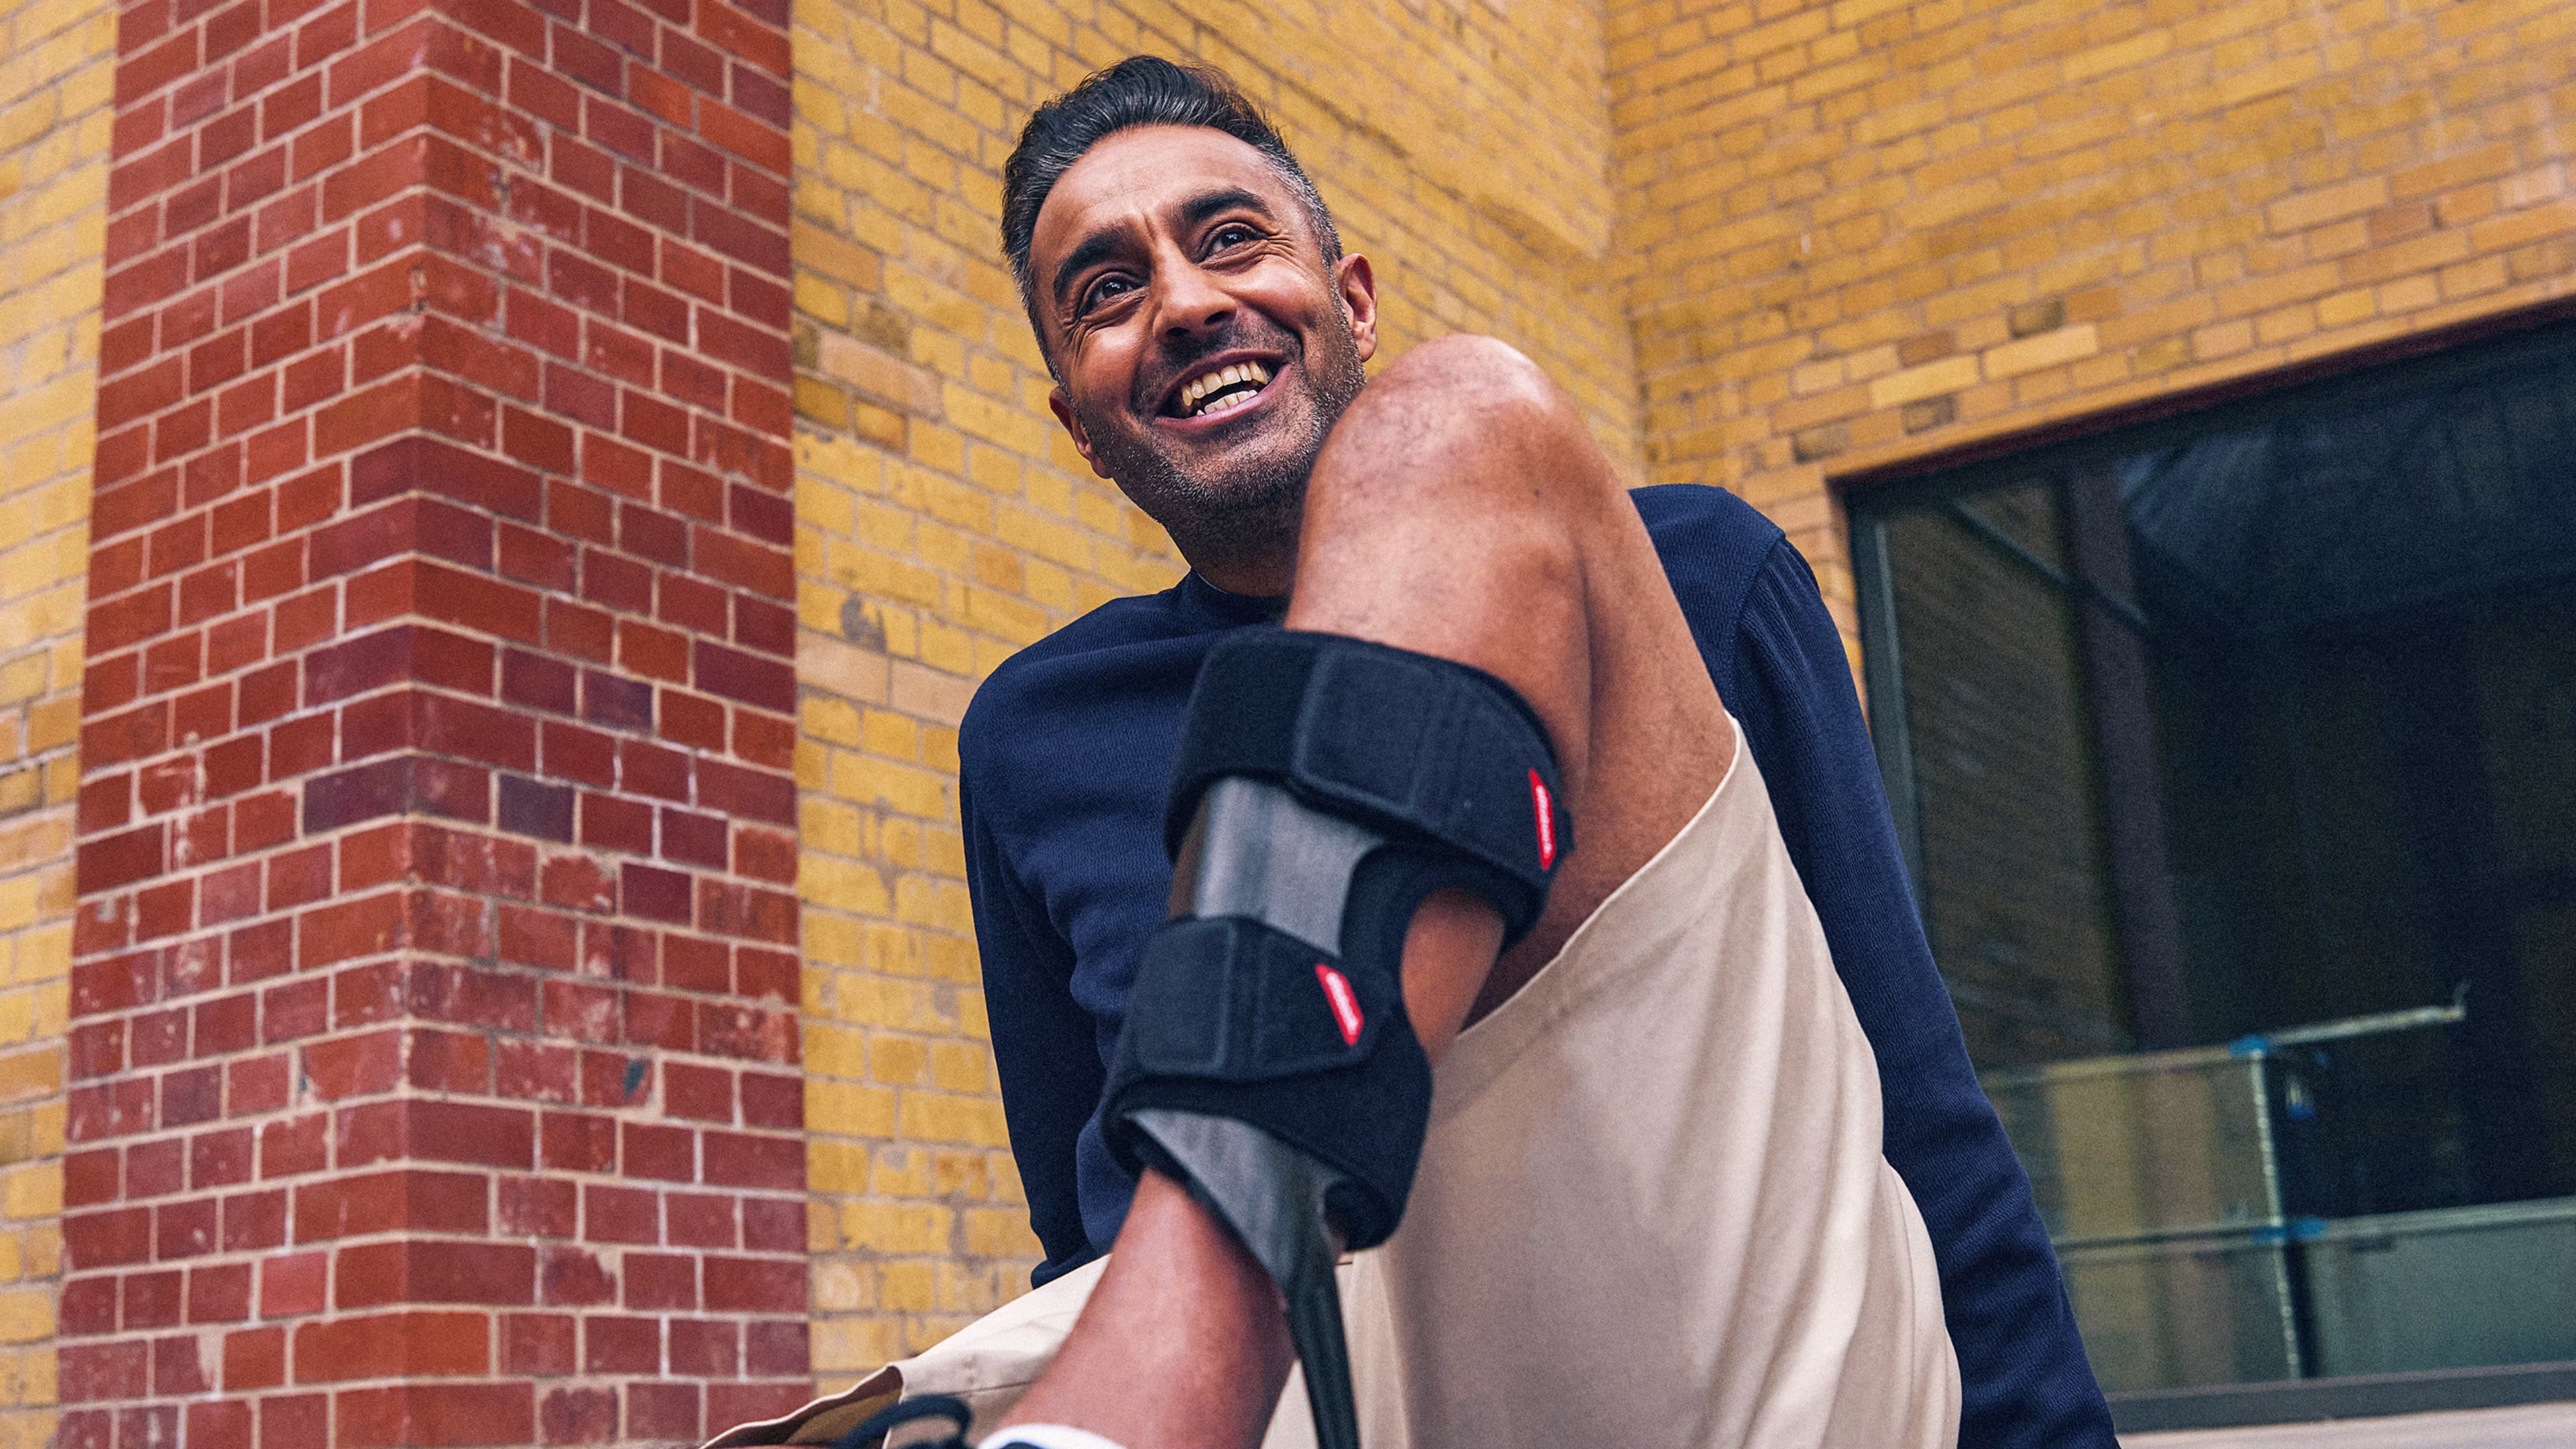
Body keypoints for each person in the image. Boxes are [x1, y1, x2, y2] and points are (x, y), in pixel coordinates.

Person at [713, 56, 2114, 1449]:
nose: (1185, 305)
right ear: (1078, 425)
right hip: (1310, 1405)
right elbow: (1084, 1227)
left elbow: (1917, 1101)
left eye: (1230, 240)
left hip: (1708, 1358)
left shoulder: (1690, 579)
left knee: (1461, 424)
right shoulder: (1035, 731)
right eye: (1107, 293)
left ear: (1354, 302)